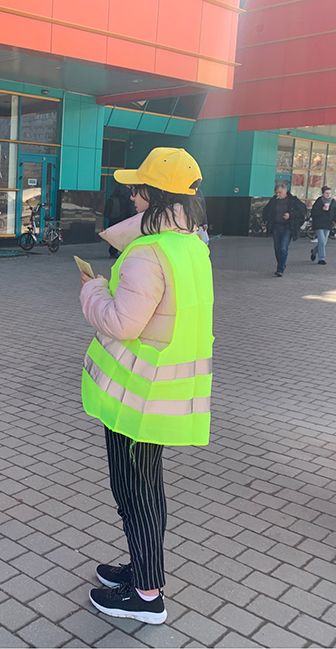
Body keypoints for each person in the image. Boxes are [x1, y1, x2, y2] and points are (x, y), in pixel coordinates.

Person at [79, 148, 214, 625]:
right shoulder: (191, 244)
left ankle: (147, 594)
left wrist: (93, 288)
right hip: (163, 395)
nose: (131, 195)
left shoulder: (148, 250)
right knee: (145, 486)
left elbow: (122, 322)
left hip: (138, 397)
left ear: (151, 195)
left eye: (136, 188)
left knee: (135, 489)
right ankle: (142, 569)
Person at [262, 181, 306, 276]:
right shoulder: (274, 200)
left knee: (283, 247)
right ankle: (280, 264)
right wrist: (266, 219)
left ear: (285, 191)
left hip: (288, 227)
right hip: (276, 226)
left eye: (280, 192)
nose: (278, 194)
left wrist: (290, 215)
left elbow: (302, 212)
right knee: (277, 248)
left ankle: (280, 268)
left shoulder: (293, 200)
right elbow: (266, 210)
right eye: (276, 192)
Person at [309, 186, 336, 265]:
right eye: (326, 193)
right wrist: (322, 210)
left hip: (328, 224)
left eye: (329, 193)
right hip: (319, 224)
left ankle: (314, 251)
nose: (328, 195)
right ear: (322, 194)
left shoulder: (333, 202)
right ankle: (321, 259)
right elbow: (313, 213)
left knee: (324, 242)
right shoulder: (319, 201)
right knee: (322, 240)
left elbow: (335, 214)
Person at [103, 183, 135, 257]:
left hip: (114, 216)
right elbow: (130, 207)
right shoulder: (128, 193)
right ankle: (122, 251)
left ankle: (113, 251)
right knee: (125, 236)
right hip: (124, 217)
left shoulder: (116, 191)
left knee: (116, 235)